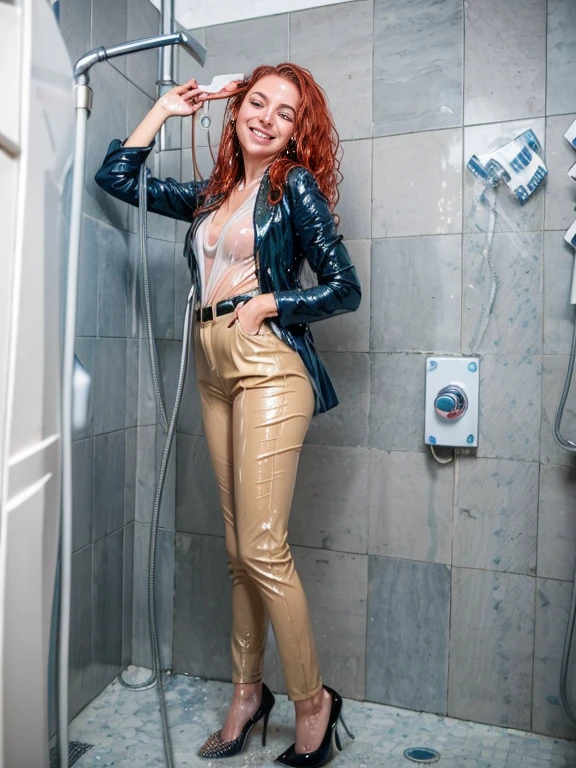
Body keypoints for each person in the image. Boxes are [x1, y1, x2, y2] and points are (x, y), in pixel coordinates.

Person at [95, 62, 361, 767]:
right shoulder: (216, 192)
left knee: (263, 549)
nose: (267, 117)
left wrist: (272, 303)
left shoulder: (292, 185)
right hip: (214, 367)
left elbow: (344, 288)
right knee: (238, 549)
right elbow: (117, 180)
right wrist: (164, 108)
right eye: (257, 102)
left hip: (270, 363)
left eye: (285, 112)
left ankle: (313, 703)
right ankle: (248, 694)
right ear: (237, 107)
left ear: (297, 131)